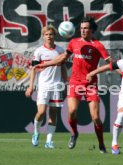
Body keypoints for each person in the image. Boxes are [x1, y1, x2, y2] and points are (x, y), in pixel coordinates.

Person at [36, 17, 112, 153]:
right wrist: (44, 64)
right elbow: (62, 58)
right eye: (81, 28)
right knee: (71, 112)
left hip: (91, 85)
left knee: (95, 117)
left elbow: (111, 63)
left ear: (92, 30)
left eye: (86, 28)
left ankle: (101, 144)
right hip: (75, 82)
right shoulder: (74, 42)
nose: (83, 30)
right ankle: (75, 133)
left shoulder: (98, 45)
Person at [25, 25, 67, 149]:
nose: (49, 36)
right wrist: (30, 86)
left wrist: (67, 82)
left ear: (55, 36)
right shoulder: (39, 51)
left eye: (51, 34)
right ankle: (36, 132)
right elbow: (34, 69)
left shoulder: (60, 50)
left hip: (56, 85)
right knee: (41, 112)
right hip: (43, 85)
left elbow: (63, 67)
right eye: (46, 34)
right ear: (43, 36)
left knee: (53, 113)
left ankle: (49, 141)